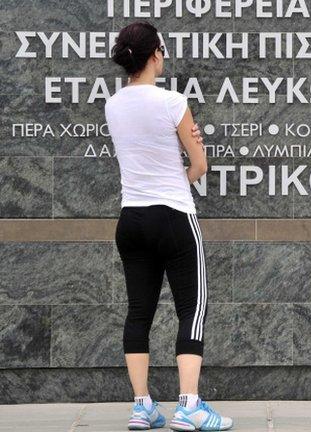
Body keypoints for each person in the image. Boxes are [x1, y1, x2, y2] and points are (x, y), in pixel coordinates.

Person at [105, 21, 233, 431]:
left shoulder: (113, 104)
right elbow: (199, 166)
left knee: (138, 312)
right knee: (191, 309)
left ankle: (142, 405)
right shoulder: (173, 102)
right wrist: (190, 152)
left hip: (131, 219)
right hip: (174, 217)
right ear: (155, 54)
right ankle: (190, 405)